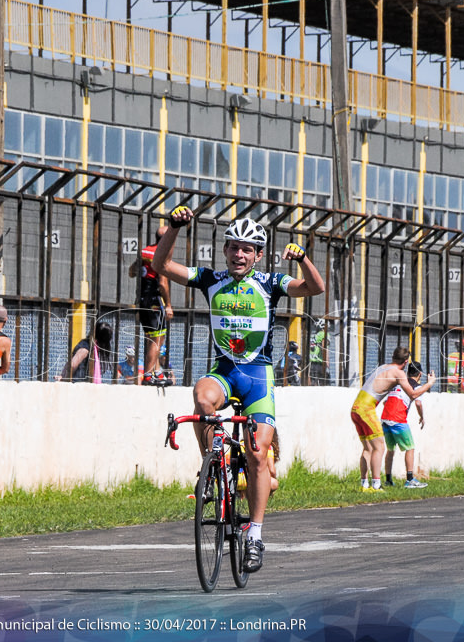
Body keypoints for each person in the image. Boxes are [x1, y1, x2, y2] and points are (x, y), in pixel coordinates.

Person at [153, 206, 325, 574]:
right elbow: (162, 267)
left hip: (258, 377)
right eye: (233, 247)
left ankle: (257, 534)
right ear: (225, 250)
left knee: (259, 454)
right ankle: (212, 465)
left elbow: (315, 288)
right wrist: (175, 228)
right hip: (224, 371)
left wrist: (304, 258)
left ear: (258, 255)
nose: (239, 254)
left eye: (248, 249)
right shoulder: (209, 278)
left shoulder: (270, 284)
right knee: (202, 397)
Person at [350, 347, 436, 492]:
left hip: (356, 408)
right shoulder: (399, 373)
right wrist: (429, 384)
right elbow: (413, 395)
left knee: (368, 448)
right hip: (366, 409)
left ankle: (364, 485)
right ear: (406, 361)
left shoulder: (383, 367)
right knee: (379, 447)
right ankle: (376, 485)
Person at [129, 225, 173, 385]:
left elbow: (132, 271)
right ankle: (149, 375)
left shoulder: (144, 251)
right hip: (154, 301)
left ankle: (155, 371)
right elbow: (162, 283)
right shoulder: (160, 254)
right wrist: (168, 304)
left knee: (151, 337)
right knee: (158, 339)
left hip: (141, 300)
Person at [383, 361, 428, 489]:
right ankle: (409, 480)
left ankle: (388, 480)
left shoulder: (399, 383)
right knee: (410, 448)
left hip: (385, 418)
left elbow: (386, 401)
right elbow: (418, 403)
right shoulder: (416, 386)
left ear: (408, 372)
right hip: (398, 419)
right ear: (420, 374)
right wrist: (422, 417)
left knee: (390, 449)